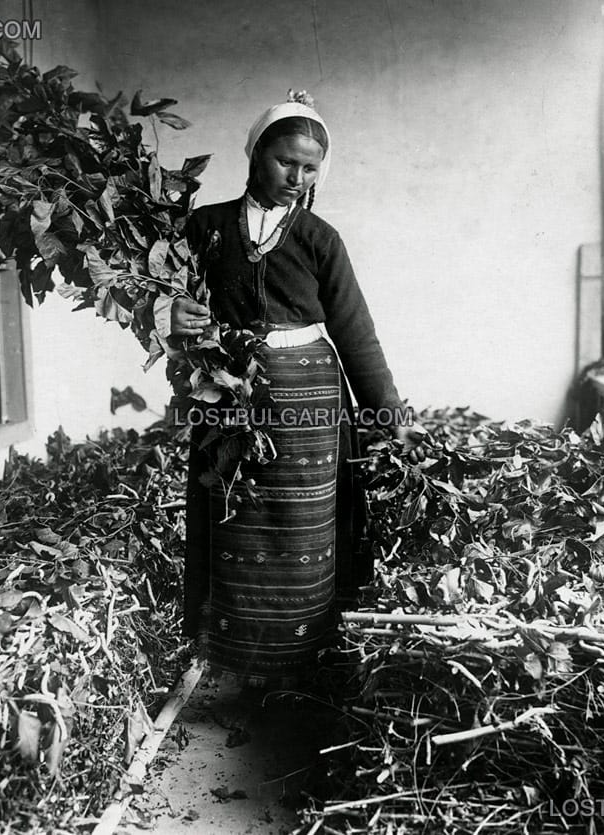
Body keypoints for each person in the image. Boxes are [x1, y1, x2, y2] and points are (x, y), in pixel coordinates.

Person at [159, 90, 423, 688]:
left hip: (308, 399)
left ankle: (302, 660)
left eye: (310, 169)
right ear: (255, 155)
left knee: (302, 525)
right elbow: (157, 293)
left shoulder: (319, 238)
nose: (297, 178)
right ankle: (231, 655)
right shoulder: (203, 227)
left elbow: (356, 330)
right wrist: (168, 313)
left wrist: (389, 414)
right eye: (286, 163)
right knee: (231, 510)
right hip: (226, 394)